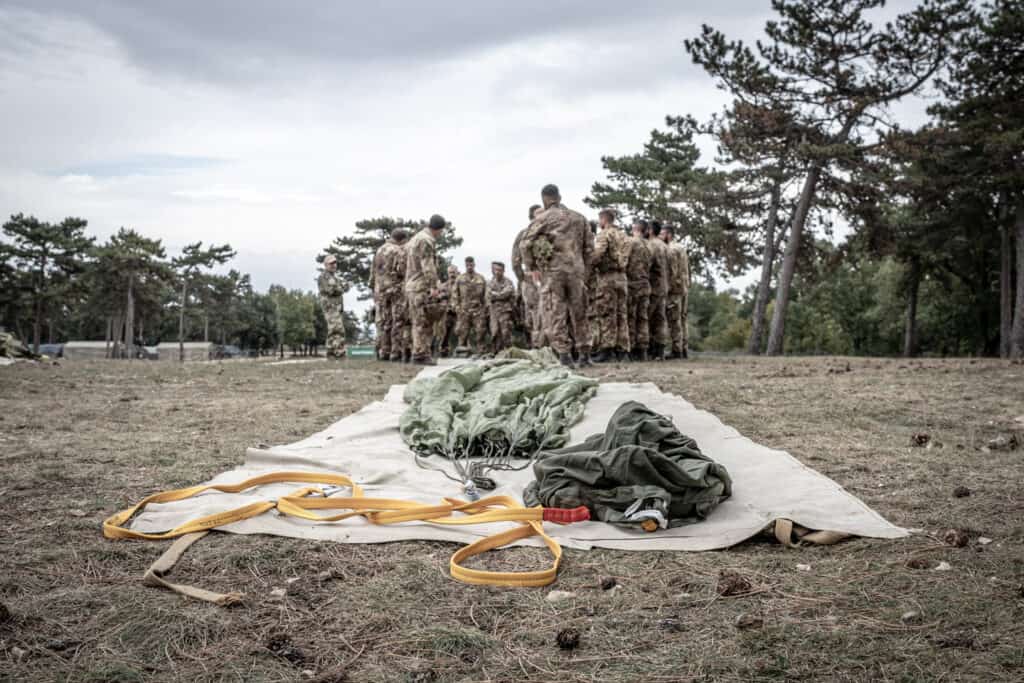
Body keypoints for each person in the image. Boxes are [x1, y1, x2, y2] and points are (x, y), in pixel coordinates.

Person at [521, 183, 593, 368]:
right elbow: (589, 249)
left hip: (554, 273)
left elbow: (525, 244)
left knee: (555, 312)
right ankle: (585, 354)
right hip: (577, 272)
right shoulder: (580, 218)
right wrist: (585, 270)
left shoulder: (543, 218)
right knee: (580, 312)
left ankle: (564, 355)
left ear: (544, 199)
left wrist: (532, 266)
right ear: (559, 197)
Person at [404, 214, 446, 365]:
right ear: (438, 229)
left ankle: (417, 352)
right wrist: (434, 286)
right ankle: (421, 354)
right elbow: (428, 266)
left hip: (411, 284)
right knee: (423, 321)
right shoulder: (426, 241)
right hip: (420, 286)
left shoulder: (415, 238)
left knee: (416, 320)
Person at [590, 209, 630, 363]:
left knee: (607, 314)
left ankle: (607, 349)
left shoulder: (604, 234)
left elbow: (597, 254)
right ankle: (623, 350)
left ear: (603, 219)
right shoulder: (624, 236)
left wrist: (589, 263)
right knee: (622, 314)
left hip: (607, 277)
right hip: (622, 277)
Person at [370, 228, 409, 362]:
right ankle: (395, 352)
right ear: (402, 240)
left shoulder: (379, 250)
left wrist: (374, 288)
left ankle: (383, 351)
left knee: (385, 322)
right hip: (395, 289)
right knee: (397, 321)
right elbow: (402, 271)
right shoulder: (399, 251)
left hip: (380, 290)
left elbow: (373, 273)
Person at [512, 204, 544, 348]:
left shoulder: (547, 233)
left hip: (547, 278)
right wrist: (523, 278)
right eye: (539, 213)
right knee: (535, 314)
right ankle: (537, 346)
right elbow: (515, 259)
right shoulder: (524, 234)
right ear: (531, 217)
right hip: (531, 279)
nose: (542, 215)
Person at [662, 224, 691, 359]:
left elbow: (672, 271)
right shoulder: (681, 248)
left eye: (663, 234)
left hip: (675, 289)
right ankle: (684, 348)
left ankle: (676, 349)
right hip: (684, 287)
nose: (661, 237)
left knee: (674, 320)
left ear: (668, 234)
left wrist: (668, 287)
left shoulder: (671, 249)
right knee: (683, 319)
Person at [626, 220, 653, 361]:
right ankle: (642, 350)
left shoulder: (631, 242)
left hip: (633, 284)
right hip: (645, 284)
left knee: (631, 317)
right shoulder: (650, 245)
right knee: (643, 318)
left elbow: (624, 260)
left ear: (635, 229)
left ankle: (630, 349)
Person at [646, 219, 670, 361]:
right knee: (660, 319)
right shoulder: (665, 246)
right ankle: (659, 350)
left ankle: (648, 349)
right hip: (664, 285)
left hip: (653, 285)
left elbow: (647, 265)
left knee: (647, 318)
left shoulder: (651, 245)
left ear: (650, 230)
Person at [454, 256, 488, 356]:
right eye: (467, 265)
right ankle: (462, 353)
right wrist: (456, 306)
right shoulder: (460, 279)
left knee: (480, 332)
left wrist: (485, 307)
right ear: (465, 265)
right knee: (463, 333)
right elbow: (455, 294)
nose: (469, 266)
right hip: (464, 310)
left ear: (474, 265)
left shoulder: (481, 278)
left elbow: (486, 295)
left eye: (471, 264)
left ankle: (481, 353)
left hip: (478, 310)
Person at [317, 254, 348, 359]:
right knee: (337, 329)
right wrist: (341, 288)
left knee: (334, 329)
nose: (334, 265)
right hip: (330, 307)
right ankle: (339, 353)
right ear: (325, 265)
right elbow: (331, 290)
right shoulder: (323, 277)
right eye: (331, 263)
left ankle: (331, 353)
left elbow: (339, 289)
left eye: (335, 263)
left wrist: (340, 288)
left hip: (336, 307)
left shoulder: (334, 277)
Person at [487, 261, 516, 353]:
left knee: (505, 332)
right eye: (495, 270)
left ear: (503, 271)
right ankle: (496, 351)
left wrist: (496, 294)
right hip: (493, 311)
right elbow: (488, 295)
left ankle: (508, 351)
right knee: (495, 332)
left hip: (505, 310)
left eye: (499, 270)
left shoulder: (508, 282)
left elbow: (506, 294)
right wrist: (498, 295)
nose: (497, 272)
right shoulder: (490, 282)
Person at [434, 264, 460, 357]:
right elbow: (438, 298)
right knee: (444, 331)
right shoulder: (443, 285)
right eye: (450, 273)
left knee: (462, 330)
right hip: (448, 312)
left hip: (459, 312)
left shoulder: (461, 285)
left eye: (453, 272)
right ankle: (443, 350)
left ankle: (462, 350)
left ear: (457, 273)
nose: (452, 274)